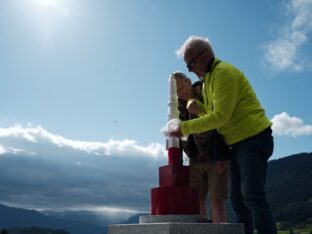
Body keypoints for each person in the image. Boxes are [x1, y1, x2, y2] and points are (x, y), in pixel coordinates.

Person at [170, 36, 277, 234]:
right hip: (236, 144)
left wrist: (184, 128)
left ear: (206, 55)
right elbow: (215, 114)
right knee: (237, 200)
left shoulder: (223, 74)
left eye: (191, 63)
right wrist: (199, 107)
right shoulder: (208, 80)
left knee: (253, 196)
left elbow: (220, 117)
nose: (190, 70)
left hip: (253, 138)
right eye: (187, 66)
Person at [172, 72, 229, 223]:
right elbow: (176, 136)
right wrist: (177, 164)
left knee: (217, 201)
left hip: (214, 156)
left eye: (182, 88)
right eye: (176, 91)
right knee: (196, 200)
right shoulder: (177, 107)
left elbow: (220, 120)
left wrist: (221, 154)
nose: (181, 93)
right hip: (194, 159)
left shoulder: (206, 92)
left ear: (189, 81)